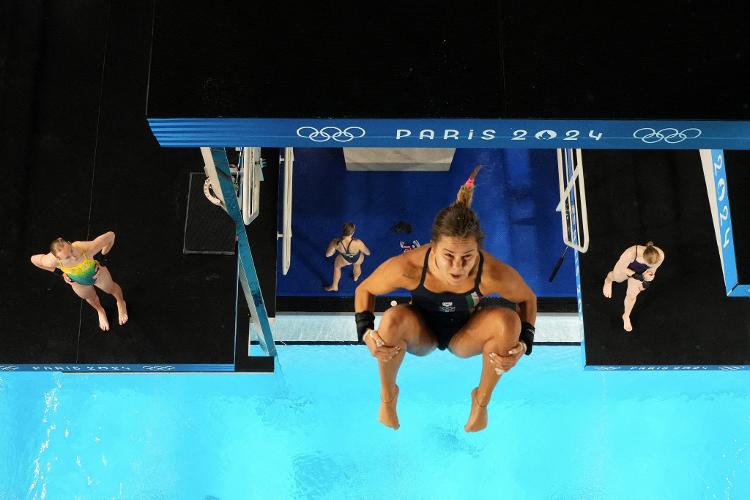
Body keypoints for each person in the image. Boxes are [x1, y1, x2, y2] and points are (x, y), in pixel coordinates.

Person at [353, 167, 537, 432]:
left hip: (466, 333)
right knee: (391, 320)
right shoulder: (409, 267)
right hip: (422, 332)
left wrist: (523, 344)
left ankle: (481, 401)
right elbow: (364, 290)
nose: (457, 267)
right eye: (448, 255)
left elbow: (528, 299)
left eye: (467, 257)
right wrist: (366, 333)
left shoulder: (491, 273)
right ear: (433, 246)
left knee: (509, 322)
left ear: (478, 250)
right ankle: (388, 396)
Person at [30, 231, 128, 331]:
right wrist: (59, 272)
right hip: (78, 283)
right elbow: (34, 260)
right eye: (67, 257)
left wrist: (102, 258)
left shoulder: (86, 248)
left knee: (111, 288)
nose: (74, 257)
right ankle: (100, 310)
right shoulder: (50, 261)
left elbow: (111, 236)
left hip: (97, 274)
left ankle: (120, 302)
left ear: (69, 243)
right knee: (89, 297)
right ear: (58, 259)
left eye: (71, 250)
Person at [602, 241, 665, 332]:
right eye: (647, 264)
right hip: (627, 269)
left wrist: (646, 281)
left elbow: (653, 270)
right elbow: (621, 268)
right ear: (643, 257)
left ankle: (626, 316)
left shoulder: (661, 256)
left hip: (641, 273)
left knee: (632, 296)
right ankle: (608, 280)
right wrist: (635, 275)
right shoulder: (631, 253)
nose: (649, 266)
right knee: (616, 278)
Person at [324, 223, 371, 291]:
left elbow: (328, 255)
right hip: (357, 258)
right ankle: (355, 277)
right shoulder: (358, 242)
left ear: (343, 231)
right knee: (357, 266)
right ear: (353, 233)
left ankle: (334, 286)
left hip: (345, 259)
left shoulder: (335, 242)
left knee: (337, 267)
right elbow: (367, 253)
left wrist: (335, 250)